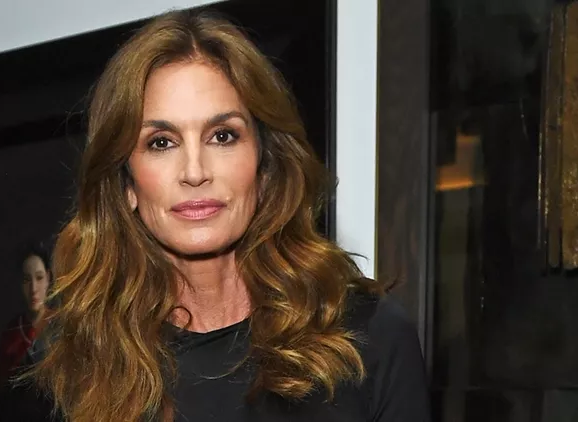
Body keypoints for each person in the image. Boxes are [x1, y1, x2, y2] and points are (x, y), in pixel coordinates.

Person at [35, 9, 430, 422]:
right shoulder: (70, 362)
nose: (194, 172)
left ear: (265, 166)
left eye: (222, 136)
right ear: (126, 182)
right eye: (162, 142)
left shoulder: (368, 337)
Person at [0, 244, 53, 387]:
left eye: (39, 278)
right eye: (27, 280)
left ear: (48, 278)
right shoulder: (11, 335)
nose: (33, 289)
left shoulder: (61, 325)